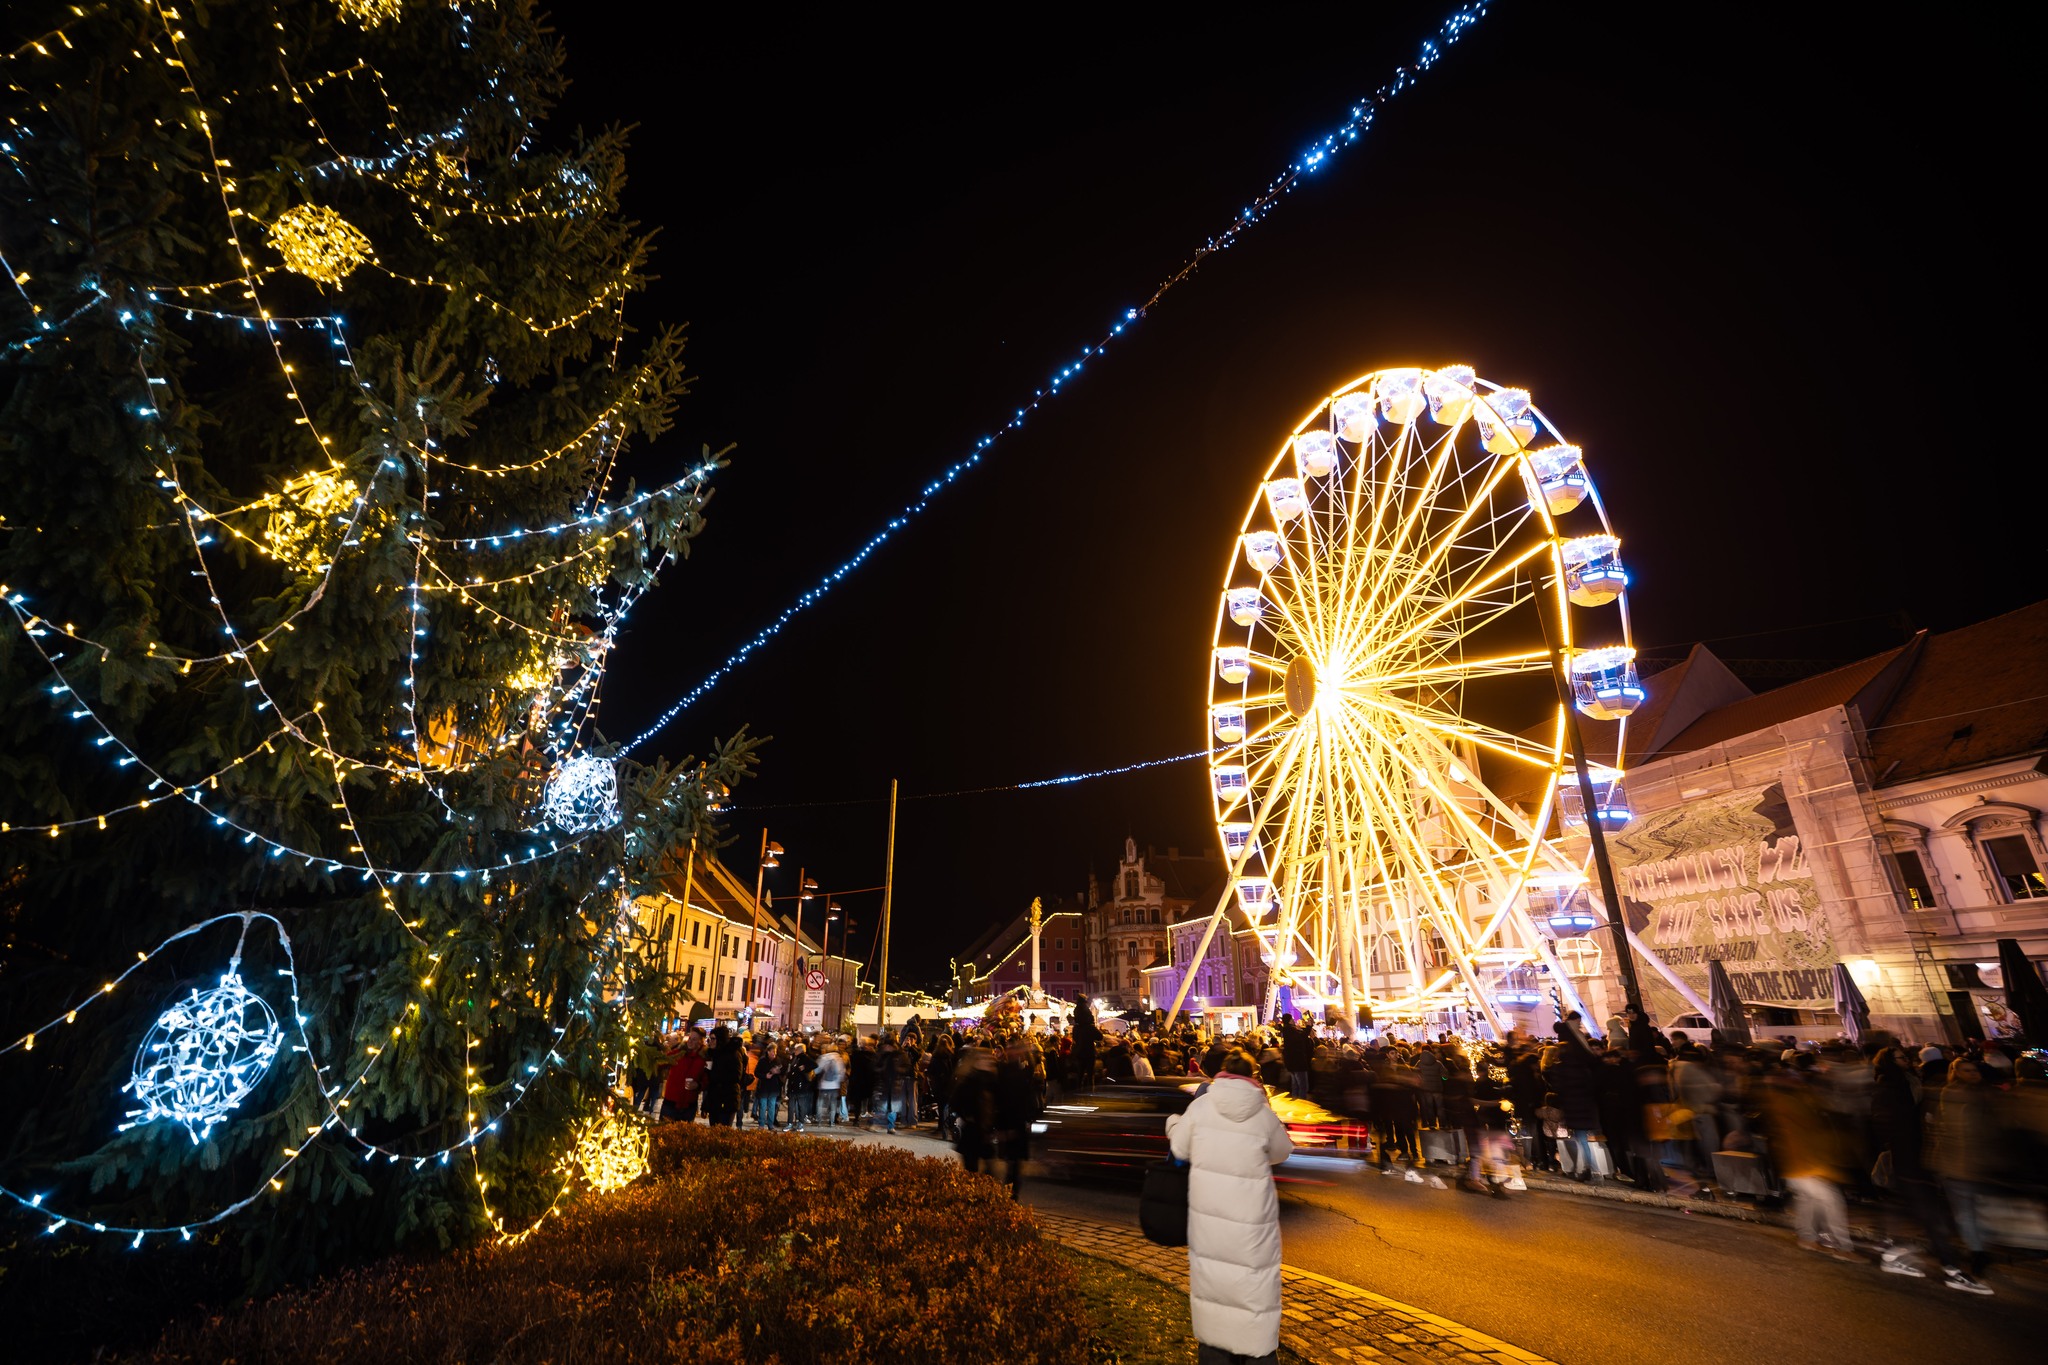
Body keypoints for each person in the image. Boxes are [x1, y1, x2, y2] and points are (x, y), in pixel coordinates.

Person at [1167, 1052, 1294, 1365]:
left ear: (1220, 1075)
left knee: (1214, 1287)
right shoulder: (1262, 1113)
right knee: (1255, 1288)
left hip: (1209, 1218)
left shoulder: (1200, 1106)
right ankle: (1258, 1355)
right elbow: (1282, 1151)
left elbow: (1180, 1148)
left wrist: (1173, 1124)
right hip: (1253, 1219)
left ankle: (1215, 1354)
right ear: (1254, 1076)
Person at [660, 1029, 707, 1124]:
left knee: (683, 1136)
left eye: (694, 1039)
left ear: (700, 1041)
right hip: (670, 1103)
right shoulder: (679, 1053)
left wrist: (698, 1085)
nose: (690, 1041)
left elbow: (707, 1080)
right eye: (690, 1038)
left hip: (688, 1106)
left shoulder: (704, 1059)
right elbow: (661, 1062)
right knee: (663, 1132)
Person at [704, 1025, 742, 1128]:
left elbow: (736, 1076)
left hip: (727, 1100)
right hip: (714, 1100)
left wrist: (715, 1076)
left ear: (720, 1040)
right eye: (709, 1039)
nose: (710, 1041)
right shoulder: (712, 1054)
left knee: (723, 1132)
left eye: (713, 1039)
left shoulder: (733, 1054)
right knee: (714, 1130)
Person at [815, 1038, 846, 1125]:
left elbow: (817, 1070)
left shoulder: (823, 1057)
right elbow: (841, 1072)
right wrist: (840, 1081)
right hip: (835, 1085)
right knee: (833, 1103)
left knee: (820, 1102)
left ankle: (819, 1120)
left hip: (823, 1084)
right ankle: (831, 1121)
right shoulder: (839, 1058)